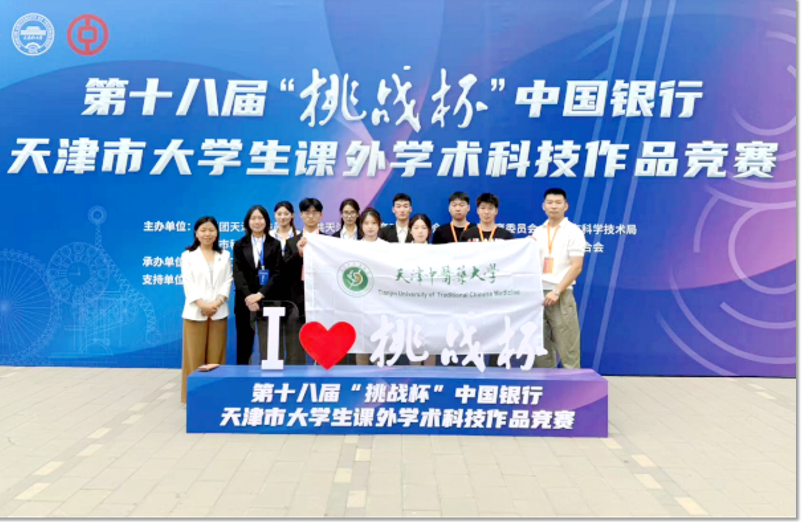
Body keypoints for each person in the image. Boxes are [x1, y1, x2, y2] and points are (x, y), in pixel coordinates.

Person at [531, 188, 586, 369]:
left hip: (560, 293)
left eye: (558, 203)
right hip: (537, 295)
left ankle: (573, 385)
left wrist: (557, 291)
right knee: (541, 347)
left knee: (568, 345)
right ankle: (545, 383)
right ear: (543, 206)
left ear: (566, 206)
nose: (553, 206)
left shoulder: (573, 231)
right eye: (550, 202)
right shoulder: (538, 232)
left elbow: (576, 267)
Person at [180, 217, 232, 403]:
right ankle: (193, 398)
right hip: (195, 312)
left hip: (219, 311)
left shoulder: (224, 255)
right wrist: (202, 305)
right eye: (203, 230)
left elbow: (228, 280)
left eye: (211, 230)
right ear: (196, 233)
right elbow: (188, 283)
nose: (207, 234)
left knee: (216, 356)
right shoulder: (188, 256)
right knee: (193, 357)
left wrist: (216, 303)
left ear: (217, 233)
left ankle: (215, 395)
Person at [232, 205, 284, 366]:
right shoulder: (239, 245)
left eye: (260, 218)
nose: (257, 221)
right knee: (244, 343)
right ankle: (241, 376)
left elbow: (277, 273)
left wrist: (260, 295)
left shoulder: (274, 244)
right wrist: (249, 297)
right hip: (244, 301)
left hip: (268, 299)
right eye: (253, 218)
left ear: (266, 221)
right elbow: (237, 273)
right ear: (247, 222)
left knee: (268, 344)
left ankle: (268, 377)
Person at [283, 197, 324, 364]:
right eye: (307, 213)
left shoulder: (330, 241)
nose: (311, 216)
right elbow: (284, 270)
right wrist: (298, 254)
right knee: (295, 350)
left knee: (322, 349)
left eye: (315, 212)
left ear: (321, 215)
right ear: (300, 215)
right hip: (297, 302)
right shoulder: (292, 242)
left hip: (322, 301)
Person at [408, 214, 437, 366]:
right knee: (413, 340)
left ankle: (430, 375)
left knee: (431, 341)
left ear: (429, 230)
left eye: (424, 228)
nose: (420, 231)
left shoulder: (437, 252)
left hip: (431, 303)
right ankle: (414, 375)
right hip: (409, 303)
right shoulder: (400, 252)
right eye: (416, 227)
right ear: (410, 230)